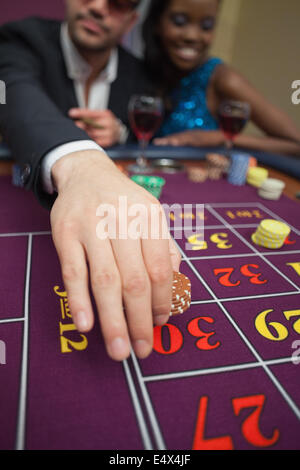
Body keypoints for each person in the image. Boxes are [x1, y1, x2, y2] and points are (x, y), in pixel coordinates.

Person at [0, 0, 181, 362]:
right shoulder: (21, 40)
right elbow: (14, 94)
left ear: (131, 20)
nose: (98, 6)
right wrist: (83, 163)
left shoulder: (140, 72)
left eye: (117, 3)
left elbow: (157, 122)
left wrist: (123, 130)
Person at [142, 0, 300, 156]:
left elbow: (295, 144)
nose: (192, 36)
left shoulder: (223, 79)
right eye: (179, 22)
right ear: (157, 21)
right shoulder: (142, 70)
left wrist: (219, 137)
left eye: (206, 26)